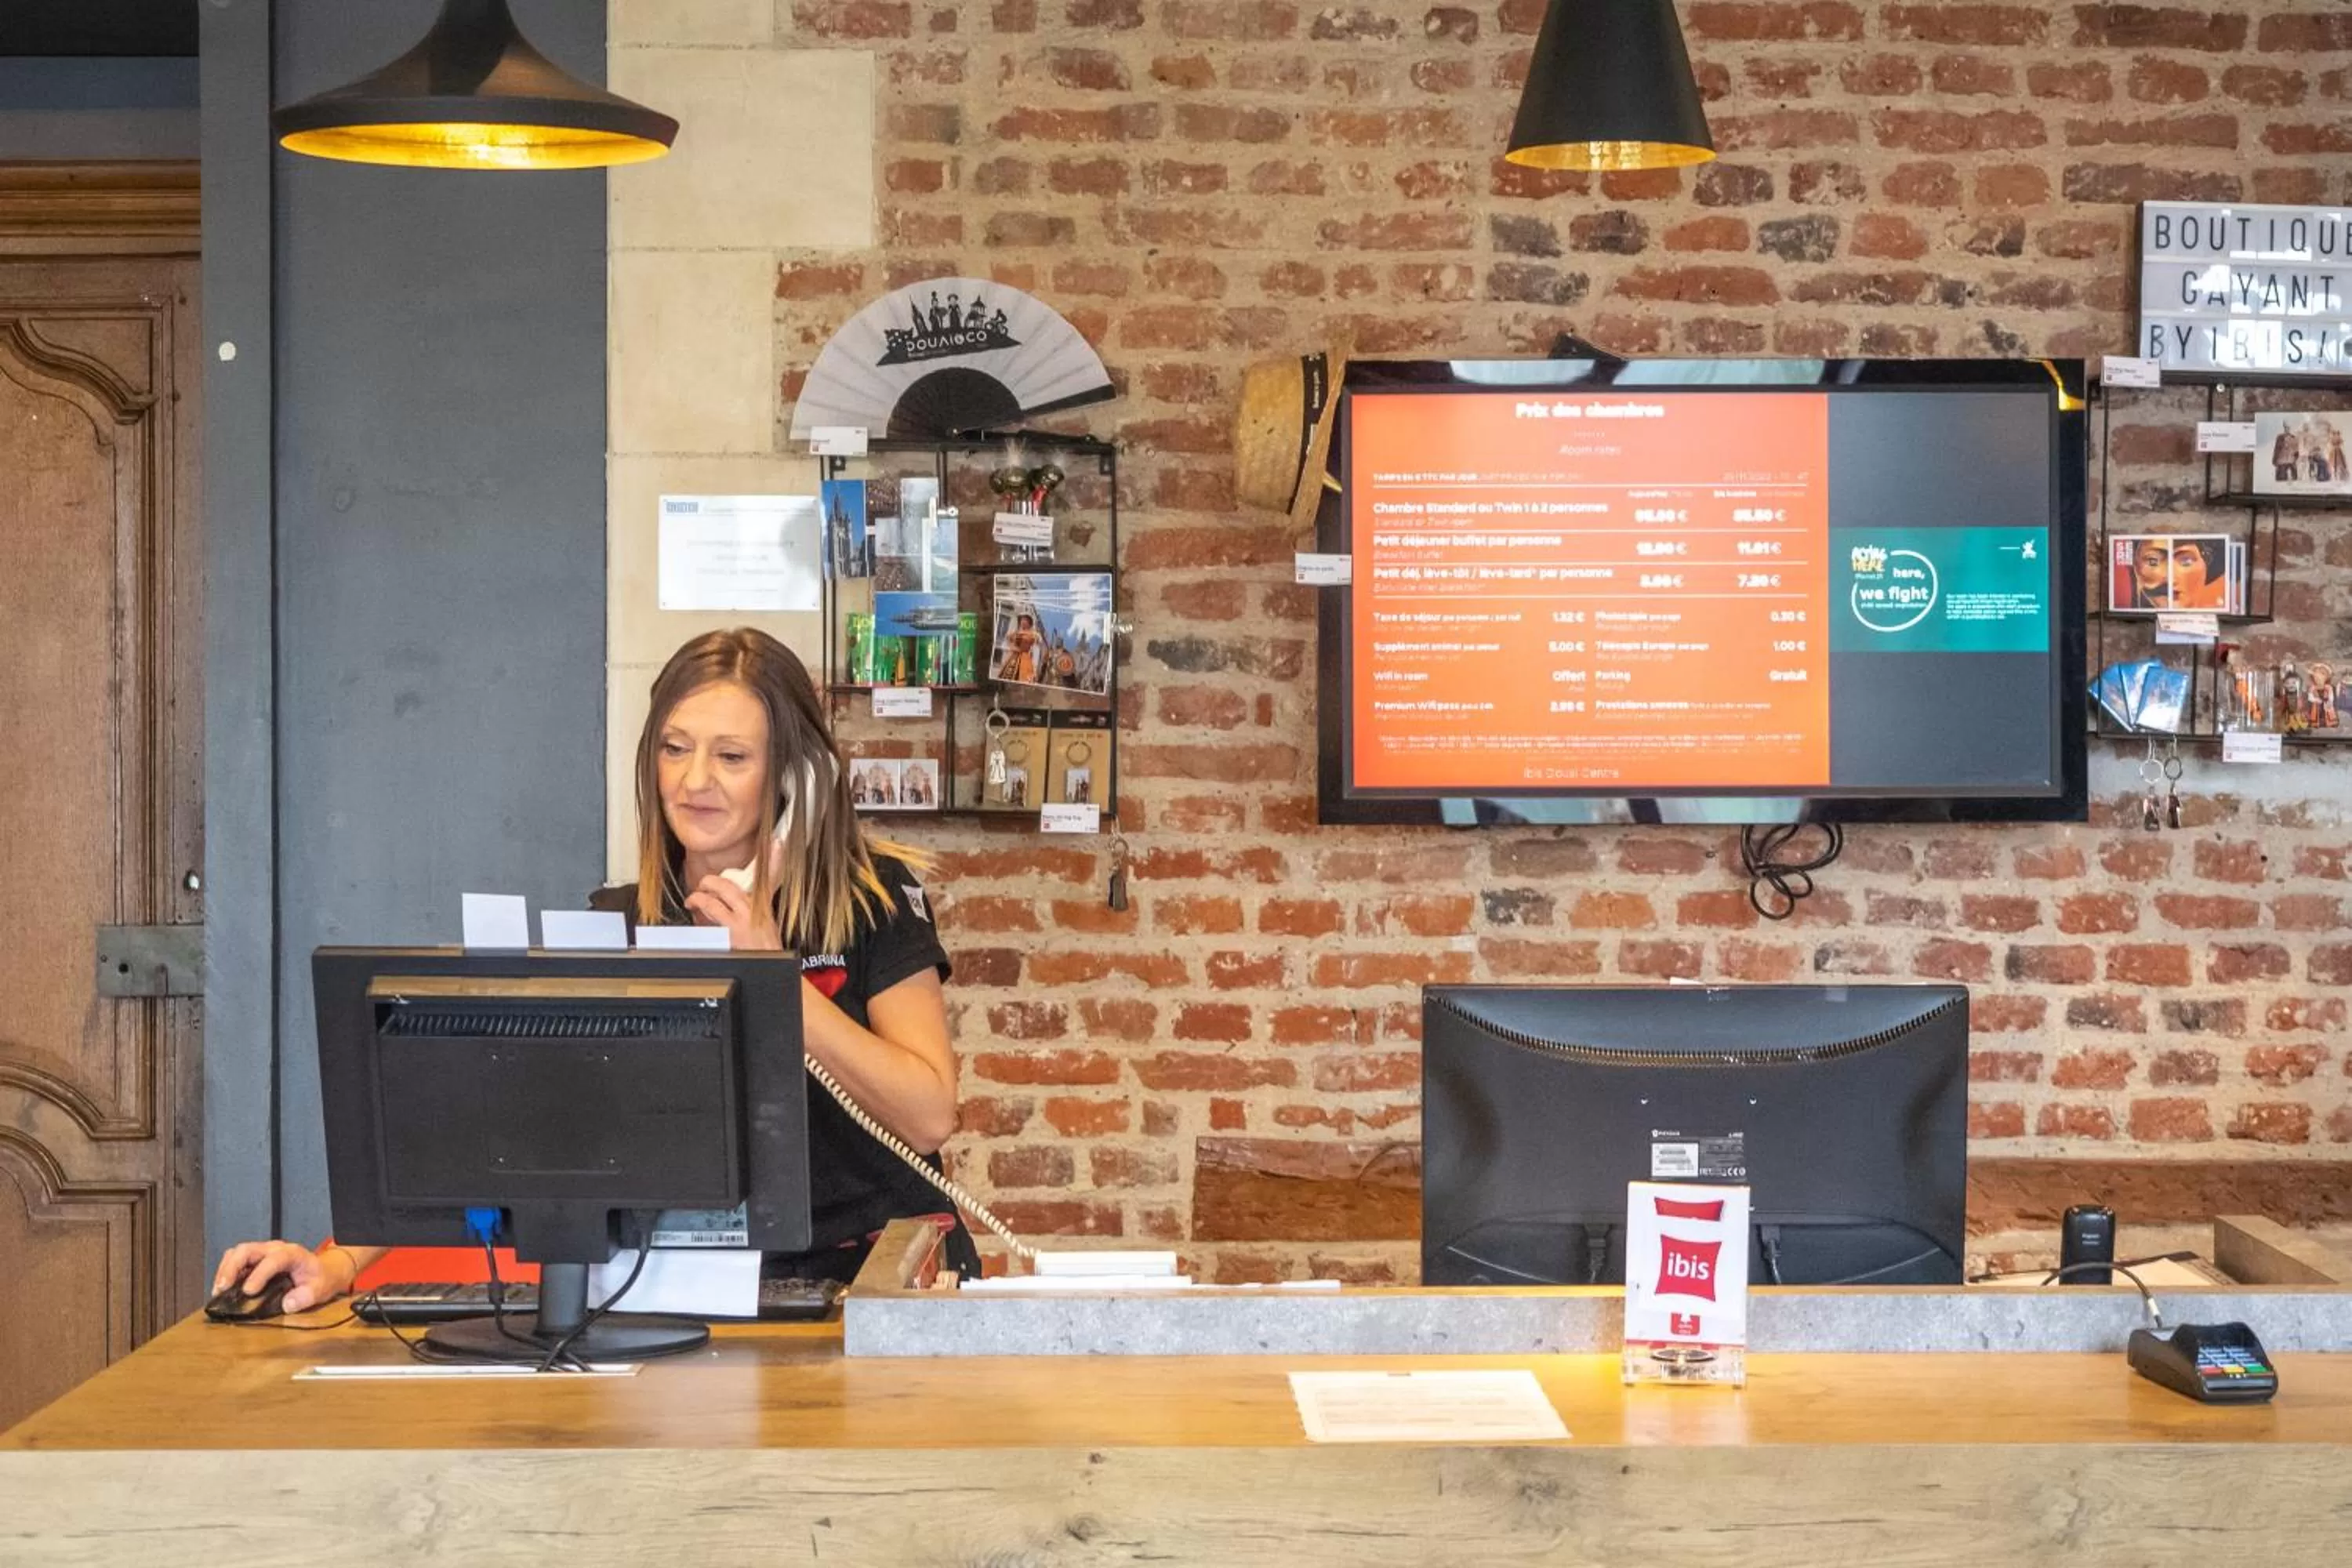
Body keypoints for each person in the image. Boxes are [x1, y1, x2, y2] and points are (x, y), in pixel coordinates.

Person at [212, 628, 978, 1311]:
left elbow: (928, 1113)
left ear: (793, 774)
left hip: (875, 1276)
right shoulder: (617, 921)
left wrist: (770, 972)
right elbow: (508, 1119)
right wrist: (336, 1262)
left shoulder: (871, 897)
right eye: (675, 748)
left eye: (732, 756)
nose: (694, 780)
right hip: (698, 1285)